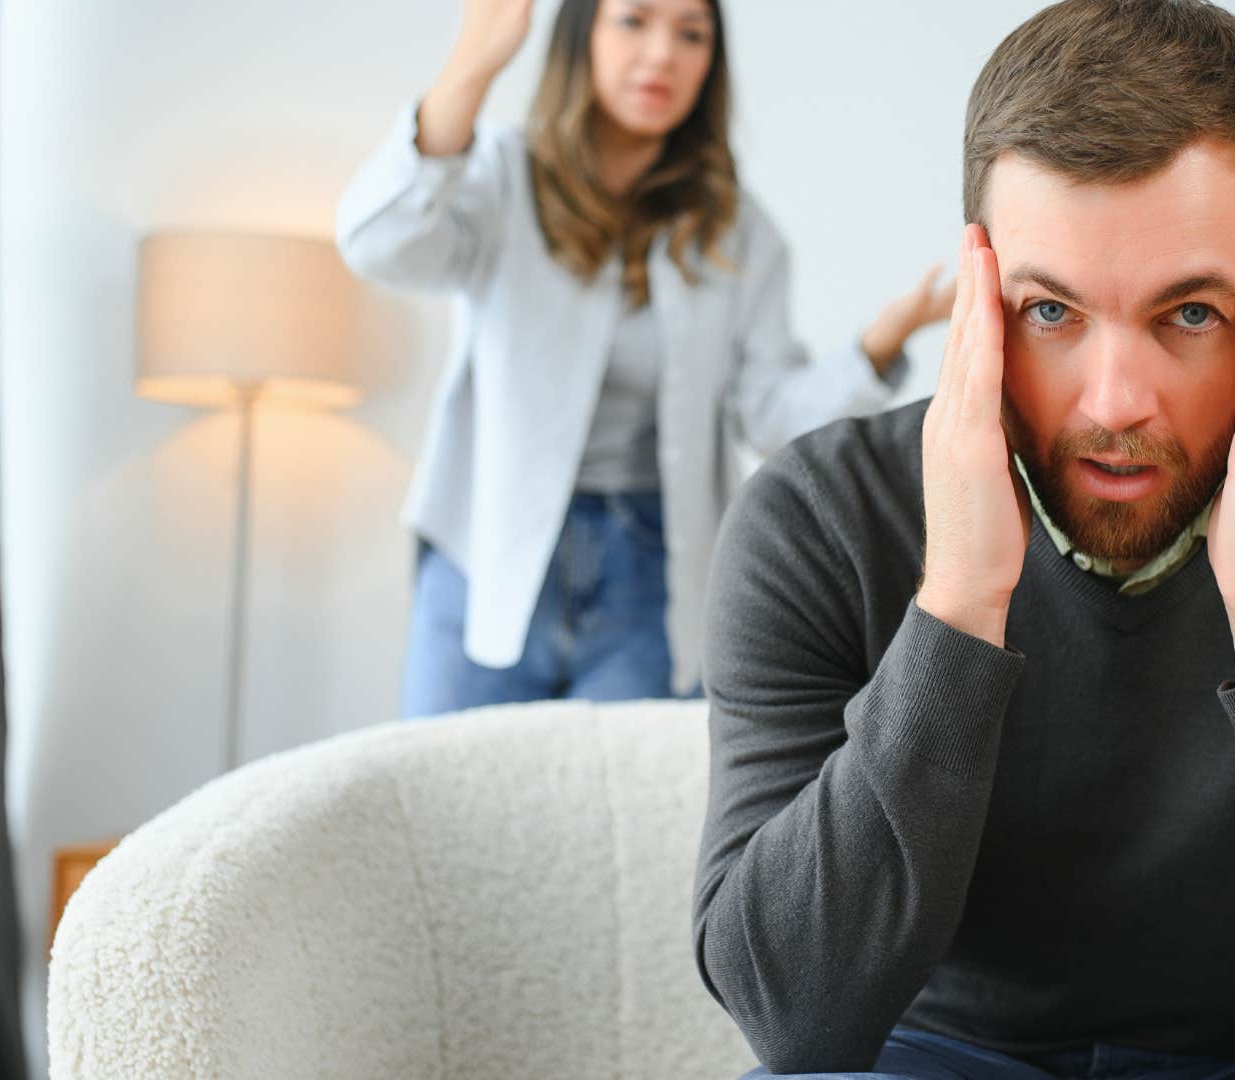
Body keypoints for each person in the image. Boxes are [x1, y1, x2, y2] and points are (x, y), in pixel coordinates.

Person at [691, 2, 1235, 1078]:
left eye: (1189, 313)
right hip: (937, 1056)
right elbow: (795, 1022)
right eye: (1050, 312)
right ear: (980, 297)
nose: (1116, 401)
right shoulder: (817, 520)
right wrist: (959, 598)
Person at [336, 0, 948, 715]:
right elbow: (378, 245)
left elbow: (772, 418)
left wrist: (880, 344)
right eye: (633, 21)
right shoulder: (504, 178)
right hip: (486, 559)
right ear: (581, 38)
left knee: (619, 817)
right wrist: (474, 62)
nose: (663, 54)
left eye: (691, 34)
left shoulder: (739, 233)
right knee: (443, 803)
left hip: (651, 574)